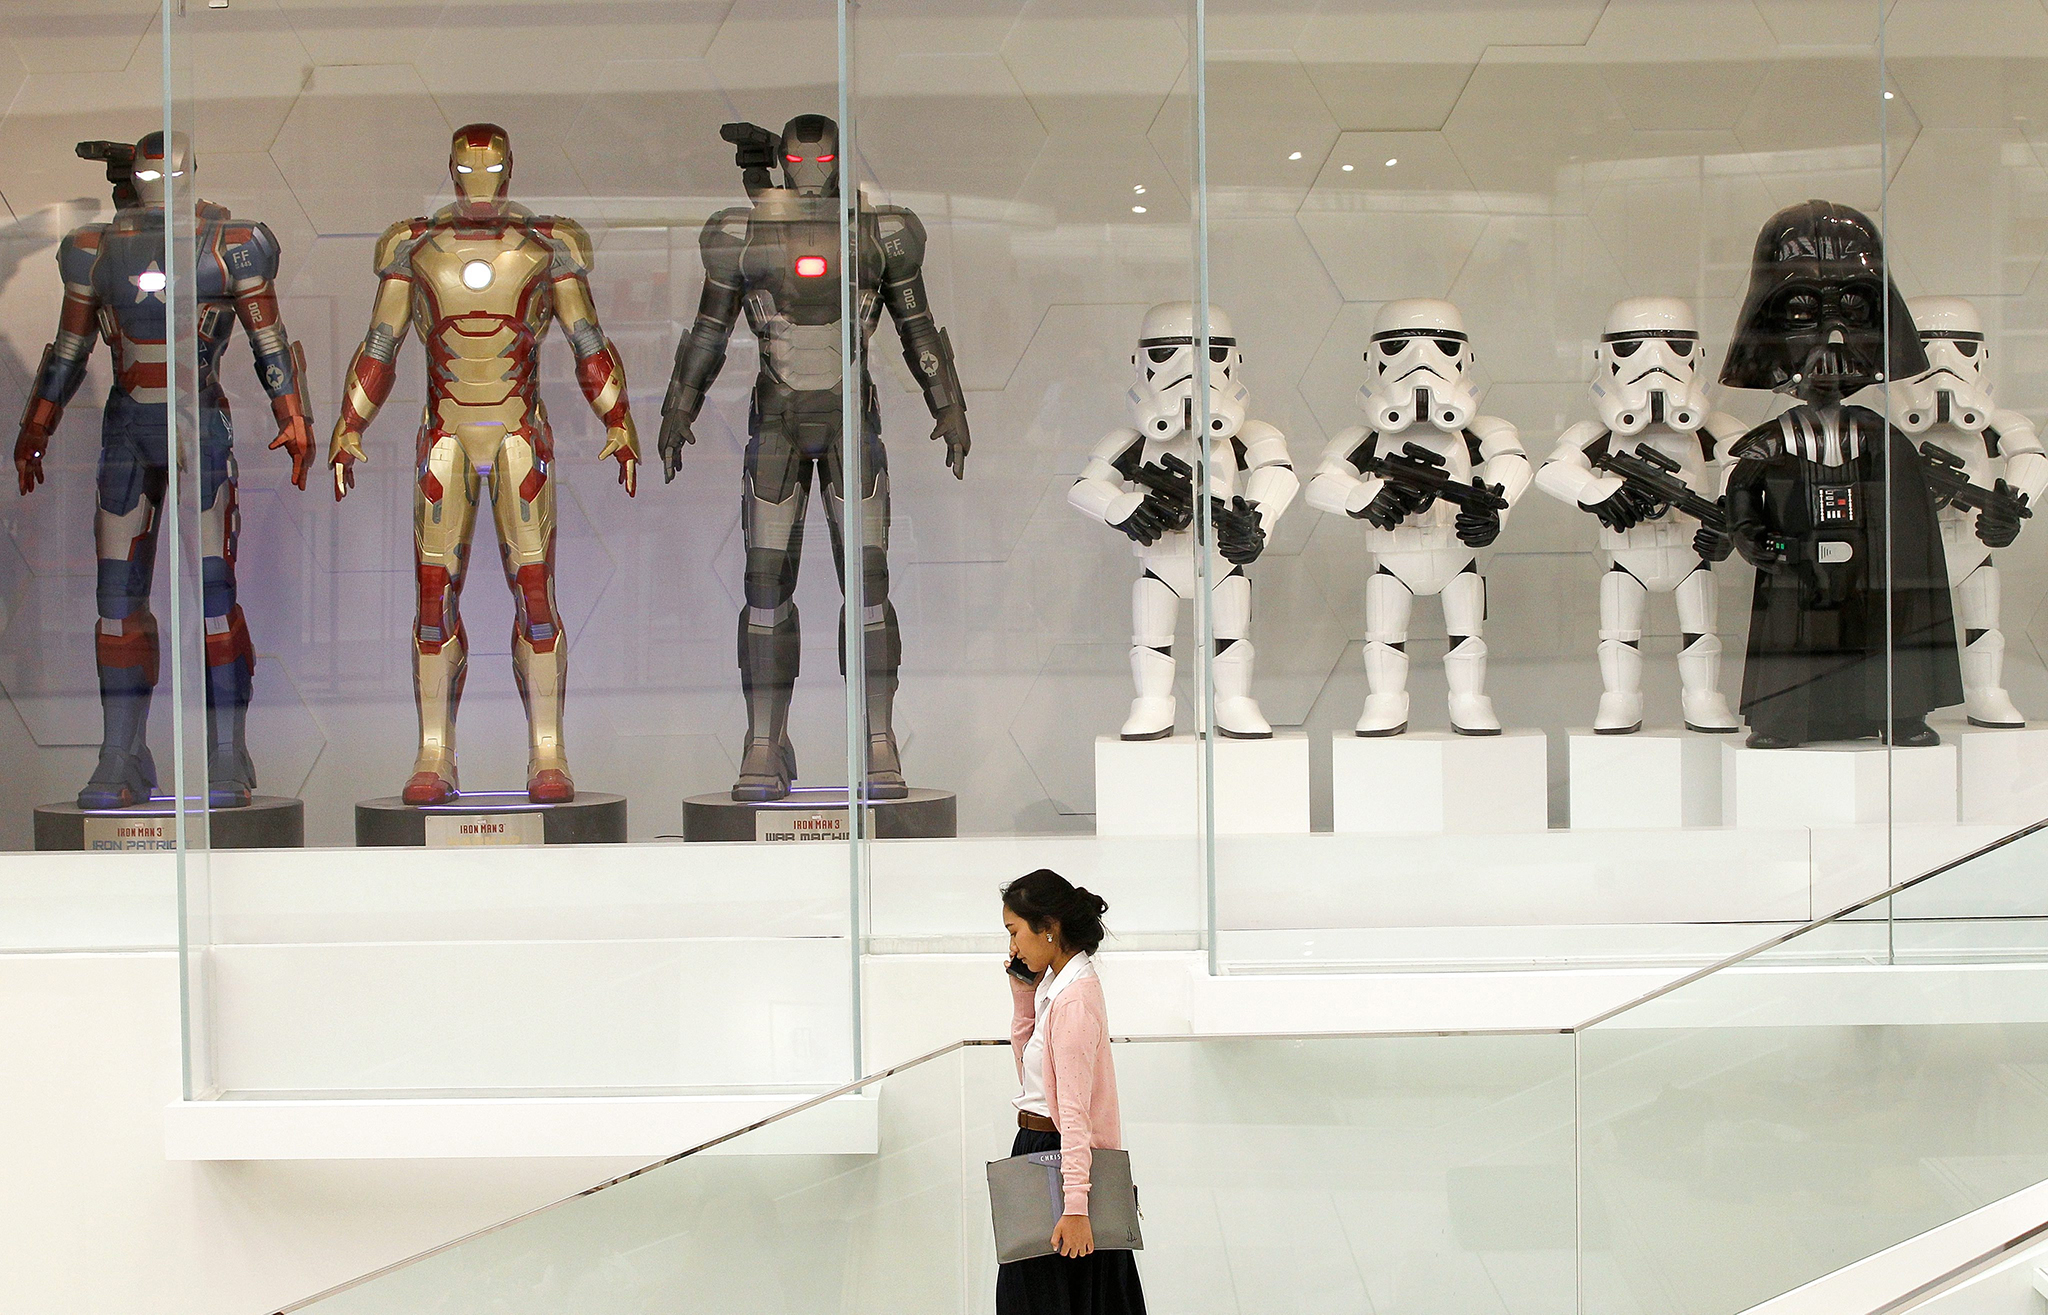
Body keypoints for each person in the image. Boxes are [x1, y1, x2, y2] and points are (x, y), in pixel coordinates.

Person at [1000, 869, 1146, 1315]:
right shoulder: (1054, 989)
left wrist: (1077, 1207)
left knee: (1050, 1296)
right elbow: (1032, 1077)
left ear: (1048, 926)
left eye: (1015, 931)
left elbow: (1075, 1112)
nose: (1012, 947)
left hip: (1058, 1156)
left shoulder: (1074, 999)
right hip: (1040, 1149)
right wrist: (1022, 996)